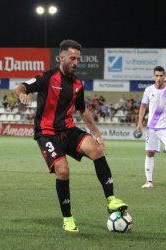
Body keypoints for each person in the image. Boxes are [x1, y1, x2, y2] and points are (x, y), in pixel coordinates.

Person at [15, 39, 128, 233]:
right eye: (72, 58)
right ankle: (67, 218)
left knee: (97, 150)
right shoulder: (48, 77)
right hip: (46, 133)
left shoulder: (77, 84)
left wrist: (96, 134)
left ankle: (111, 200)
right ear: (61, 57)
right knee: (63, 171)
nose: (76, 62)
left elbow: (83, 111)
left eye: (78, 59)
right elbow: (21, 86)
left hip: (68, 130)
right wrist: (22, 94)